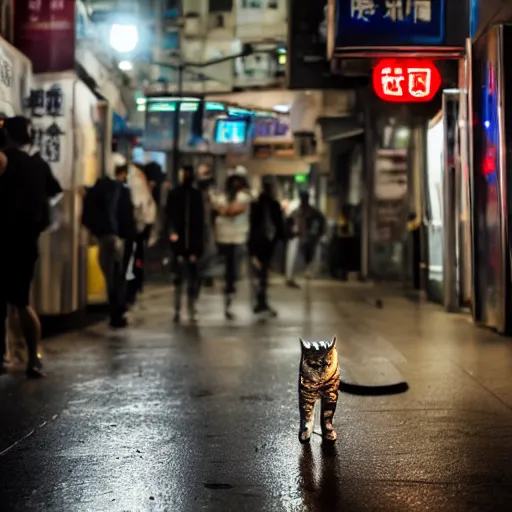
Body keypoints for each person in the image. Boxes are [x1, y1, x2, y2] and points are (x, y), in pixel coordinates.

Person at [0, 116, 62, 378]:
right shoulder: (39, 164)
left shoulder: (5, 160)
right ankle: (34, 357)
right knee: (22, 302)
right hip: (27, 243)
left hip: (3, 241)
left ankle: (5, 357)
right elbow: (56, 193)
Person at [82, 161, 135, 328]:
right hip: (120, 238)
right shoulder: (123, 191)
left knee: (110, 276)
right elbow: (128, 216)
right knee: (119, 275)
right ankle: (118, 312)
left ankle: (115, 312)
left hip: (104, 237)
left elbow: (86, 216)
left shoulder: (96, 191)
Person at [165, 165, 204, 323]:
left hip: (187, 243)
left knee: (188, 277)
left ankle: (184, 307)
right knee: (182, 277)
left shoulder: (191, 195)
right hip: (182, 243)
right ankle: (182, 308)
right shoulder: (183, 195)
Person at [213, 166, 252, 319]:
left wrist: (224, 209)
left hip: (238, 237)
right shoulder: (223, 196)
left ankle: (229, 298)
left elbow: (230, 210)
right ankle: (227, 298)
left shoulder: (244, 196)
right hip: (223, 237)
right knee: (228, 271)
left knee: (232, 272)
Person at [249, 176, 285, 316]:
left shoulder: (263, 204)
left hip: (264, 243)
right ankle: (260, 300)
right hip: (264, 243)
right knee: (262, 273)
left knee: (261, 273)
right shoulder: (266, 205)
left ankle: (261, 300)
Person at [125, 161, 157, 305]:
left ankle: (133, 288)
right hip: (137, 229)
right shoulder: (138, 180)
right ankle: (133, 289)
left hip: (137, 228)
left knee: (134, 260)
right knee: (136, 260)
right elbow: (140, 206)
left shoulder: (136, 179)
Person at [285, 190, 326, 288]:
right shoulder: (297, 212)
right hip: (298, 237)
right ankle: (291, 277)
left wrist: (317, 233)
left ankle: (303, 273)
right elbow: (288, 222)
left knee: (305, 256)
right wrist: (291, 233)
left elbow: (321, 221)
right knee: (293, 258)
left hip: (307, 237)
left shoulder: (311, 212)